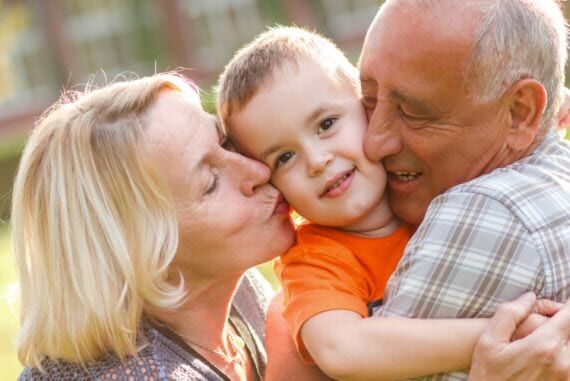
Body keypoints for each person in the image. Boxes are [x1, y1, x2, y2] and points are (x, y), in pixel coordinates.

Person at [217, 25, 569, 381]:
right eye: (285, 157)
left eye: (326, 124)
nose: (317, 160)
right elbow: (343, 349)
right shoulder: (315, 260)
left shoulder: (425, 183)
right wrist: (498, 333)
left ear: (371, 111)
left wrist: (548, 116)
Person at [13, 73, 295, 380]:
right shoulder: (140, 374)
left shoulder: (232, 287)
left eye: (226, 141)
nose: (258, 170)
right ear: (149, 251)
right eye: (211, 182)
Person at [359, 0, 570, 379]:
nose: (373, 143)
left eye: (413, 113)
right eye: (369, 101)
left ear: (520, 112)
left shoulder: (488, 210)